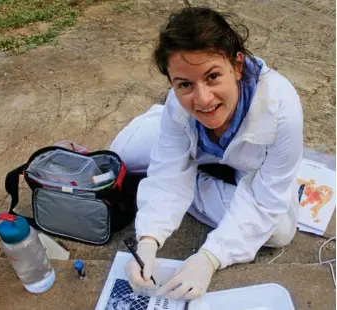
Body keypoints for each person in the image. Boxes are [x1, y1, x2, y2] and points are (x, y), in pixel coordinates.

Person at [110, 6, 303, 300]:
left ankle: (195, 179)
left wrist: (210, 257)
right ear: (172, 83)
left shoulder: (282, 109)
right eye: (184, 84)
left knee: (280, 230)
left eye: (213, 76)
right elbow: (166, 176)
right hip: (190, 140)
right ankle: (161, 128)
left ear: (237, 66)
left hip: (246, 164)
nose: (202, 98)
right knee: (119, 155)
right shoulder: (179, 107)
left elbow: (266, 200)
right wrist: (148, 239)